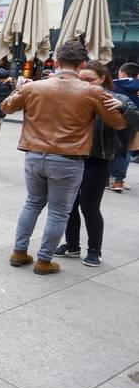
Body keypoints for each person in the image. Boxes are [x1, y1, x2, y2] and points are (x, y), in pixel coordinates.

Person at [1, 41, 126, 275]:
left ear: (56, 62)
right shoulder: (93, 91)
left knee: (32, 203)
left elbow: (6, 108)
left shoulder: (33, 87)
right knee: (59, 211)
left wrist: (19, 88)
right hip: (68, 159)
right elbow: (117, 123)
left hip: (34, 155)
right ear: (81, 65)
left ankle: (19, 252)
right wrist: (120, 107)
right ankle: (44, 260)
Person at [56, 61, 139, 268]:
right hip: (72, 156)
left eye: (89, 80)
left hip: (98, 159)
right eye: (81, 79)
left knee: (89, 206)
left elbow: (136, 120)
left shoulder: (115, 98)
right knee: (69, 205)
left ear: (102, 79)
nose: (84, 84)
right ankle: (72, 245)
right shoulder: (74, 96)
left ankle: (94, 250)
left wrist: (123, 108)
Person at [109, 62, 139, 192]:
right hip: (133, 123)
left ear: (122, 73)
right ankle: (118, 181)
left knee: (110, 149)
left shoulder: (114, 85)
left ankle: (106, 178)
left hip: (114, 122)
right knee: (124, 152)